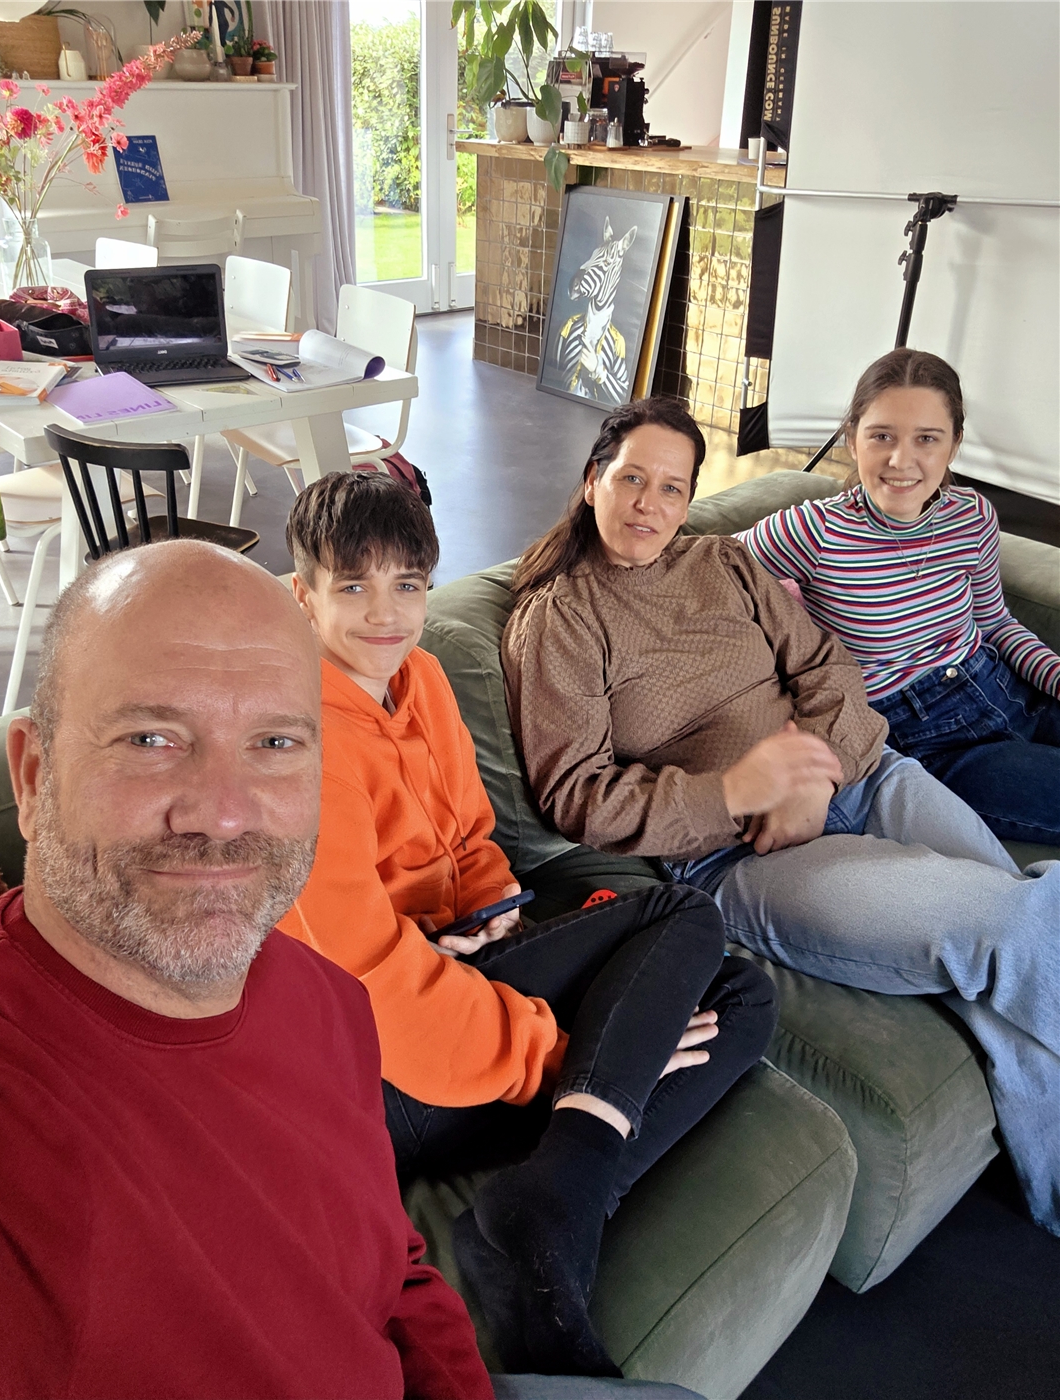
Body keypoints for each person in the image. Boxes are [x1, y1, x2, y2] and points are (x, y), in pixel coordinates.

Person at [0, 540, 495, 1400]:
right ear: (35, 777)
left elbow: (392, 1270)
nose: (225, 814)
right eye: (150, 738)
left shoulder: (327, 998)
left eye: (274, 741)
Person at [500, 396, 1060, 1238]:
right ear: (591, 482)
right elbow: (578, 795)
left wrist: (811, 777)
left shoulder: (721, 561)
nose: (649, 504)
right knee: (1011, 923)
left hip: (865, 778)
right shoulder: (559, 618)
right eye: (631, 480)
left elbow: (825, 666)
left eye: (672, 488)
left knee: (1028, 924)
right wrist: (736, 792)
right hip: (743, 857)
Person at [276, 472, 777, 1378]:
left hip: (458, 983)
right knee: (679, 911)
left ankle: (557, 1199)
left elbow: (471, 836)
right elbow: (365, 982)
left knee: (739, 990)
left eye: (407, 584)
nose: (385, 613)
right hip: (375, 1073)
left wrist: (498, 915)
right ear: (303, 595)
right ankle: (568, 1173)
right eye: (352, 586)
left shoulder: (422, 677)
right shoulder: (295, 744)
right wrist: (577, 1054)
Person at [737, 348, 1060, 845]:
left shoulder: (971, 516)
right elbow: (702, 573)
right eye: (882, 436)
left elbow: (996, 623)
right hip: (932, 742)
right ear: (852, 439)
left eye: (926, 438)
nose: (900, 461)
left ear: (953, 445)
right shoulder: (813, 531)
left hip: (1006, 688)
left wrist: (1055, 676)